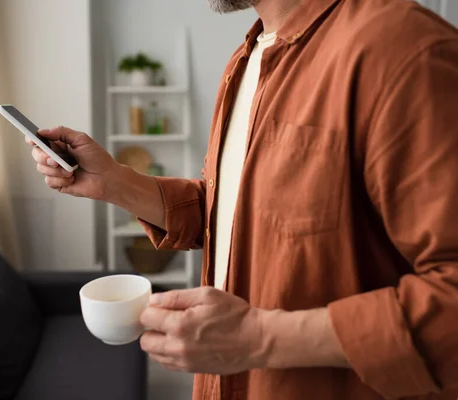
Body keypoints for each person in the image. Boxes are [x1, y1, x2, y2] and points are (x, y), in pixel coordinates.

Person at [27, 0, 458, 398]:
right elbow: (236, 211)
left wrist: (260, 338)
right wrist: (116, 182)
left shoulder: (402, 50)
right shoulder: (246, 58)